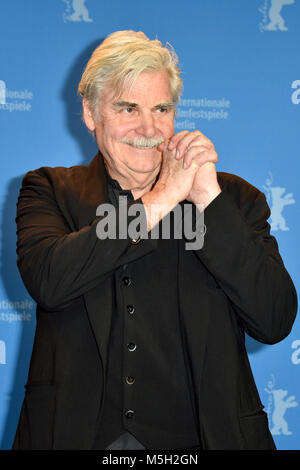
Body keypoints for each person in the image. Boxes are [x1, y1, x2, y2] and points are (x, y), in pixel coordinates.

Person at [13, 30, 297, 450]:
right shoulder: (50, 190)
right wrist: (160, 199)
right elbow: (51, 281)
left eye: (161, 108)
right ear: (91, 113)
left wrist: (207, 201)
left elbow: (274, 319)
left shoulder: (233, 200)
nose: (148, 128)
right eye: (128, 108)